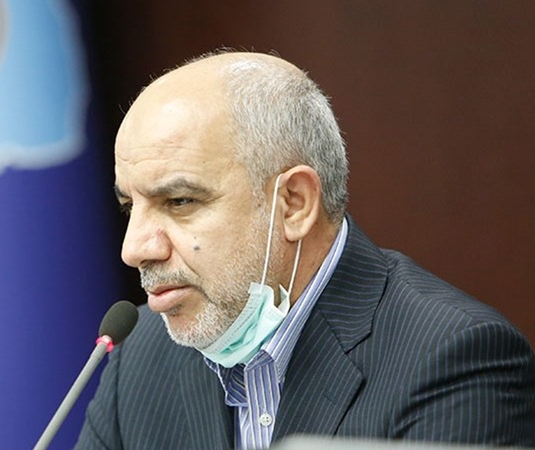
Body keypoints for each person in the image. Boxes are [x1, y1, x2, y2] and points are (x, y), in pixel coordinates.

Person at [74, 50, 535, 450]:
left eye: (179, 201)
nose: (134, 248)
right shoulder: (140, 358)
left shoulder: (453, 359)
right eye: (130, 206)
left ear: (294, 204)